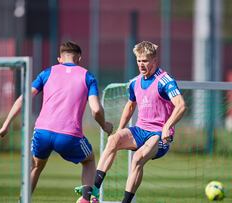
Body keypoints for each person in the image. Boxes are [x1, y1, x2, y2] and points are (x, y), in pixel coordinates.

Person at [0, 41, 113, 202]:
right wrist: (105, 125)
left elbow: (23, 99)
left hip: (42, 132)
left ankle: (23, 200)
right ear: (79, 59)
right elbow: (96, 110)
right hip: (69, 136)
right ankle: (85, 198)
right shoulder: (87, 76)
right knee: (89, 160)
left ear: (59, 59)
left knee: (36, 167)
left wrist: (5, 125)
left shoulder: (47, 72)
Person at [78, 41, 186, 203]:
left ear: (155, 61)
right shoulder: (135, 82)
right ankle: (93, 192)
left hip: (158, 136)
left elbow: (181, 105)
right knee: (113, 140)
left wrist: (167, 127)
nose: (141, 64)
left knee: (137, 159)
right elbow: (130, 106)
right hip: (140, 130)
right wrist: (120, 131)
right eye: (139, 61)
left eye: (145, 61)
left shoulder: (165, 81)